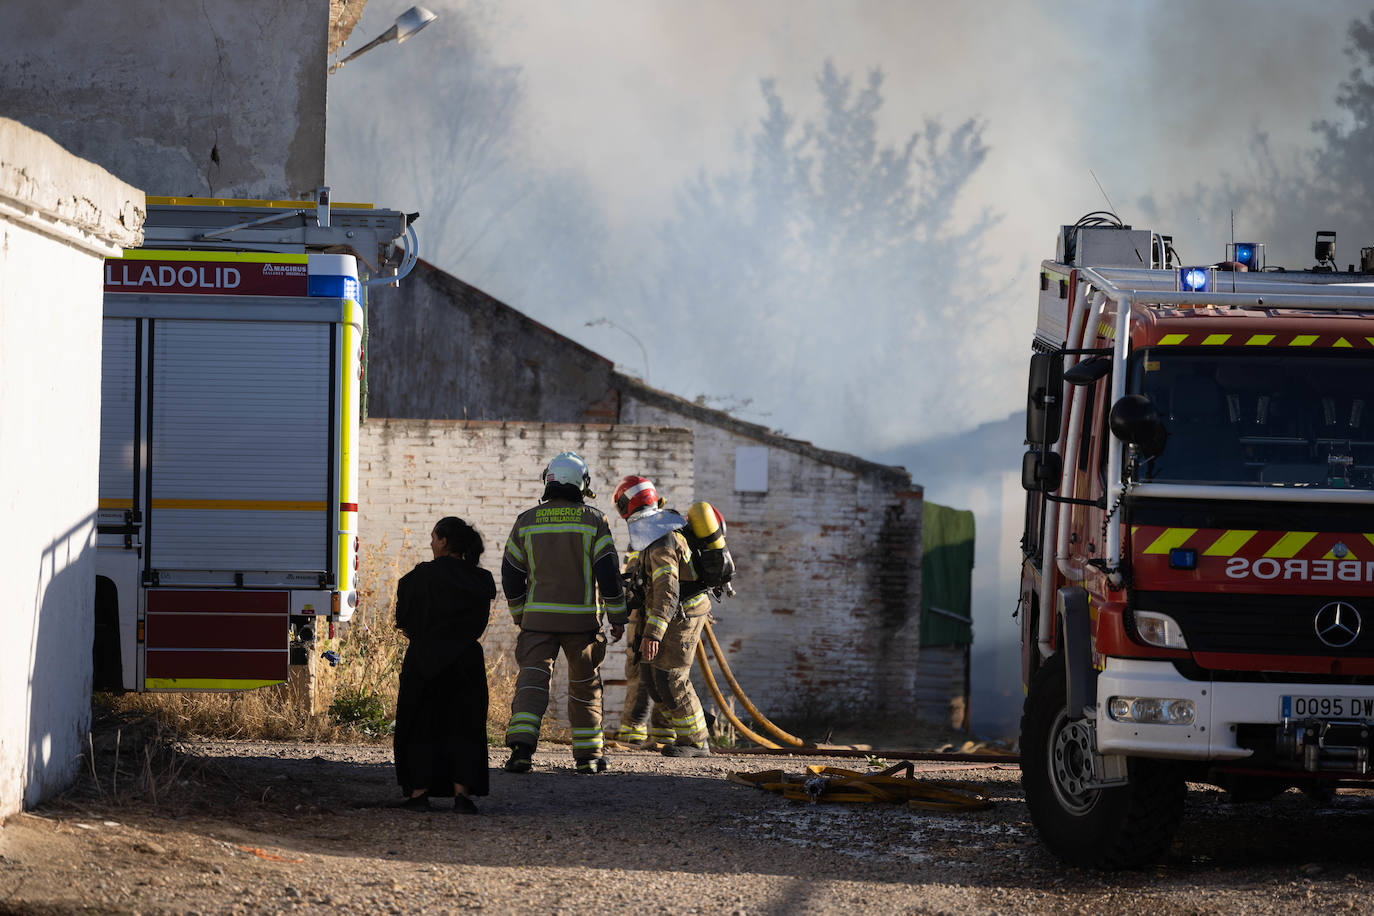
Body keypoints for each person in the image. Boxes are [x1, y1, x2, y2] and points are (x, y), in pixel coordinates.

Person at [501, 451, 627, 774]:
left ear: (549, 481)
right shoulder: (594, 521)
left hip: (537, 621)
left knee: (532, 682)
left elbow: (511, 573)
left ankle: (521, 752)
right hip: (581, 624)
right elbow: (608, 572)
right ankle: (588, 758)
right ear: (581, 485)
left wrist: (520, 614)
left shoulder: (526, 521)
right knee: (585, 686)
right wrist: (617, 615)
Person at [393, 516, 496, 813]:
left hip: (424, 661)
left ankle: (419, 794)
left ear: (443, 541)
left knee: (420, 725)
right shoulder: (480, 580)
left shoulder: (420, 577)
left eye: (433, 538)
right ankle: (462, 795)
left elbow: (404, 621)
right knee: (464, 727)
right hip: (466, 661)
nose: (430, 543)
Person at [612, 475, 712, 758]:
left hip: (681, 615)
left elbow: (667, 589)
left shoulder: (660, 541)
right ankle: (674, 736)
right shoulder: (653, 532)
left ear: (626, 507)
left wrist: (654, 633)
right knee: (654, 675)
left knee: (671, 675)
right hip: (671, 612)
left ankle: (696, 742)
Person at [615, 549, 676, 748]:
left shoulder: (651, 537)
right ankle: (647, 729)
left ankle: (650, 730)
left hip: (655, 613)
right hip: (655, 615)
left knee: (661, 672)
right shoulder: (670, 537)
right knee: (648, 671)